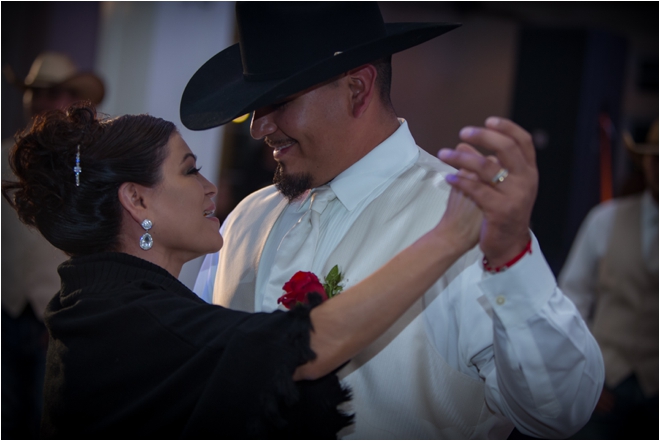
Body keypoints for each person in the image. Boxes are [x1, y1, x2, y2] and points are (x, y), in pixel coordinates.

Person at [183, 3, 605, 439]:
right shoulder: (247, 219)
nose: (258, 127)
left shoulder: (464, 219)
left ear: (357, 89)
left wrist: (514, 261)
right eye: (255, 106)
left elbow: (560, 411)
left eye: (279, 102)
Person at [1, 102, 485, 438]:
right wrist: (448, 238)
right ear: (138, 199)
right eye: (190, 170)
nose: (211, 188)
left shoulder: (99, 301)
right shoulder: (133, 318)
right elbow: (309, 347)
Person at [1, 51, 105, 439]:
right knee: (7, 416)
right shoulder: (1, 156)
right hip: (5, 309)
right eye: (37, 93)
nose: (45, 102)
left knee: (51, 417)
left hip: (57, 312)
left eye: (55, 93)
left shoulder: (86, 165)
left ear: (70, 100)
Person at [559, 121, 658, 440]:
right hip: (605, 383)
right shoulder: (605, 219)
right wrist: (583, 373)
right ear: (643, 162)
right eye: (655, 158)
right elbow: (572, 300)